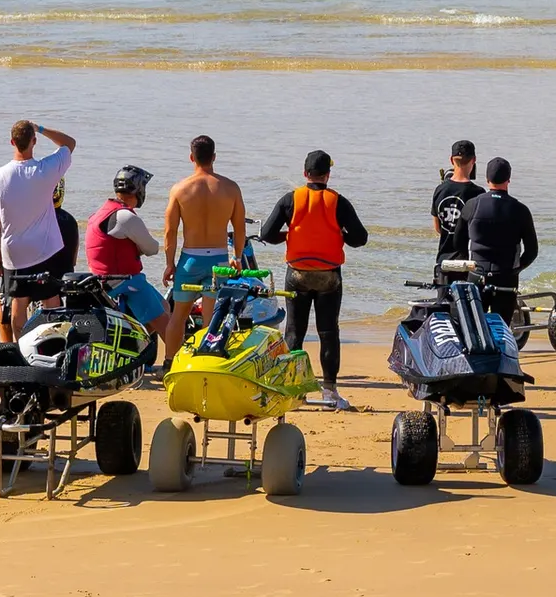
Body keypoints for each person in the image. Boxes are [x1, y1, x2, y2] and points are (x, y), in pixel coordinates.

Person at [258, 150, 368, 410]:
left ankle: (291, 389)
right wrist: (340, 235)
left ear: (305, 174)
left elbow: (265, 233)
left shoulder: (290, 199)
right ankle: (329, 390)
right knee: (328, 332)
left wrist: (289, 235)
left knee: (294, 331)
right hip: (328, 275)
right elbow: (361, 238)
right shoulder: (338, 202)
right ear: (328, 175)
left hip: (297, 274)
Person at [0, 119, 77, 341]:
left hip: (14, 252)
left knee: (19, 301)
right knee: (51, 300)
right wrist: (41, 128)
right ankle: (54, 346)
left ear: (12, 142)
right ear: (33, 141)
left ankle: (21, 348)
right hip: (44, 248)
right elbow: (69, 143)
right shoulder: (45, 170)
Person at [159, 135, 246, 365]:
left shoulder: (179, 189)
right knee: (211, 318)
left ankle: (169, 362)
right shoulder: (230, 188)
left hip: (190, 260)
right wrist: (237, 257)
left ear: (191, 157)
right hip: (218, 261)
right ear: (214, 157)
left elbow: (170, 231)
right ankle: (204, 361)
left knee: (178, 316)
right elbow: (239, 228)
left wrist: (170, 263)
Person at [84, 165, 169, 342]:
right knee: (165, 323)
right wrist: (137, 247)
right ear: (138, 190)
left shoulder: (100, 212)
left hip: (102, 281)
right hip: (124, 281)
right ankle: (174, 360)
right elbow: (152, 248)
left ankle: (132, 344)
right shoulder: (125, 217)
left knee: (165, 306)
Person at [464, 156, 538, 320]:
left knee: (474, 326)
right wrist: (515, 269)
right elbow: (532, 250)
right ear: (509, 179)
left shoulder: (472, 205)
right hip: (505, 276)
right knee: (501, 327)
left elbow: (458, 241)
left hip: (477, 273)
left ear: (487, 179)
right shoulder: (520, 210)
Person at [431, 140, 484, 262]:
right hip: (468, 261)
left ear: (451, 160)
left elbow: (438, 227)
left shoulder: (440, 190)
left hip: (443, 260)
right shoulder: (478, 193)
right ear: (474, 160)